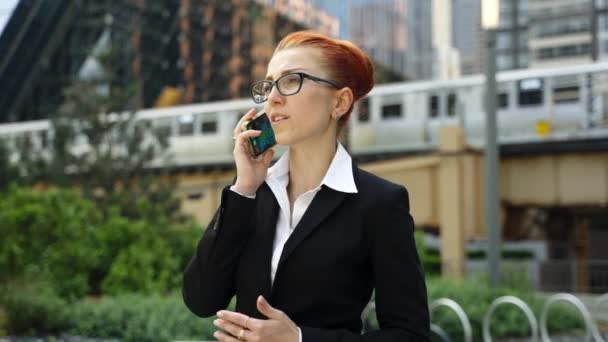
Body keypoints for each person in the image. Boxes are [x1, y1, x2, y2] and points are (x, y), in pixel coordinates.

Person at [183, 30, 430, 342]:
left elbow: (411, 335)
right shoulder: (253, 192)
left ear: (339, 102)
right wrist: (243, 187)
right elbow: (201, 299)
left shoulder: (379, 204)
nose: (273, 97)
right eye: (269, 84)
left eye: (291, 80)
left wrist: (300, 339)